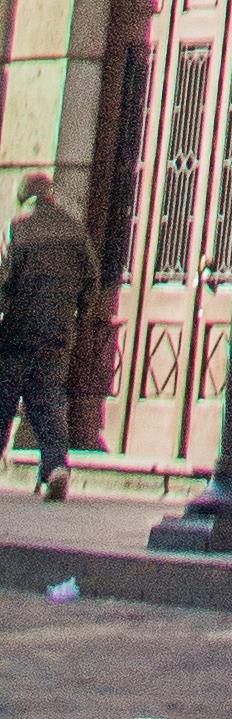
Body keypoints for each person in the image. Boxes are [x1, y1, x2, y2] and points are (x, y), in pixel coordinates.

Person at [0, 171, 96, 498]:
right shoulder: (75, 230)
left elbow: (5, 281)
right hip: (57, 330)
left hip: (18, 330)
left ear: (26, 198)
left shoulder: (19, 227)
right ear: (51, 195)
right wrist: (77, 314)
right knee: (48, 399)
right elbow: (91, 281)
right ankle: (56, 467)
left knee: (3, 398)